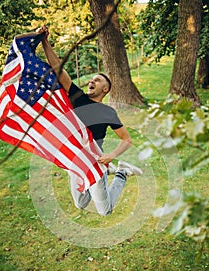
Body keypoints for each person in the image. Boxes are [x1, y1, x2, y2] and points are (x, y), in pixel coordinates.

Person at [38, 25, 142, 216]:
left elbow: (127, 140)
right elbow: (58, 69)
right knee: (81, 203)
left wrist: (111, 155)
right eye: (91, 80)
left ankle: (120, 172)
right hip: (75, 160)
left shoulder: (108, 112)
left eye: (97, 80)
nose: (92, 81)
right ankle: (114, 170)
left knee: (105, 210)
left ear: (105, 90)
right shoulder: (78, 98)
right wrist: (44, 41)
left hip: (95, 161)